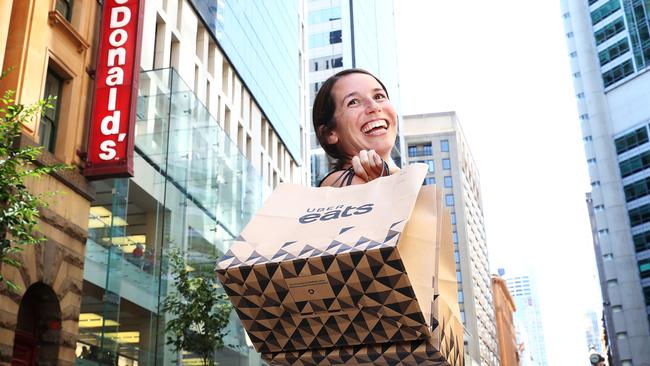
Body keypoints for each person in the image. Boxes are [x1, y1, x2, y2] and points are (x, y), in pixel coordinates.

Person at [313, 68, 400, 187]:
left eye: (379, 96)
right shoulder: (341, 183)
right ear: (329, 133)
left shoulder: (401, 177)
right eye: (353, 102)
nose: (374, 106)